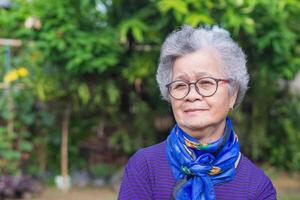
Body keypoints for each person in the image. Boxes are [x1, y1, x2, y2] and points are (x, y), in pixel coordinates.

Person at [118, 25, 277, 200]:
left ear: (232, 94)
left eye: (206, 83)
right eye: (180, 85)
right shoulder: (145, 168)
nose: (192, 95)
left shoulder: (257, 187)